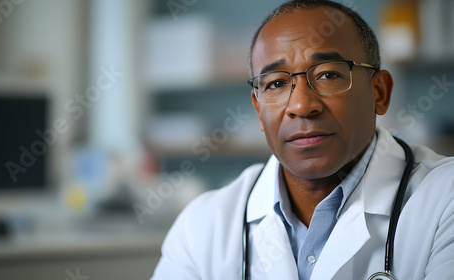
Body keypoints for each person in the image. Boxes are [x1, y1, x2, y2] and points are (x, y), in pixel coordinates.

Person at [151, 1, 454, 279]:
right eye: (277, 83)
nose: (301, 105)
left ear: (379, 93)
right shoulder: (201, 226)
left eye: (328, 75)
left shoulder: (444, 199)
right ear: (259, 112)